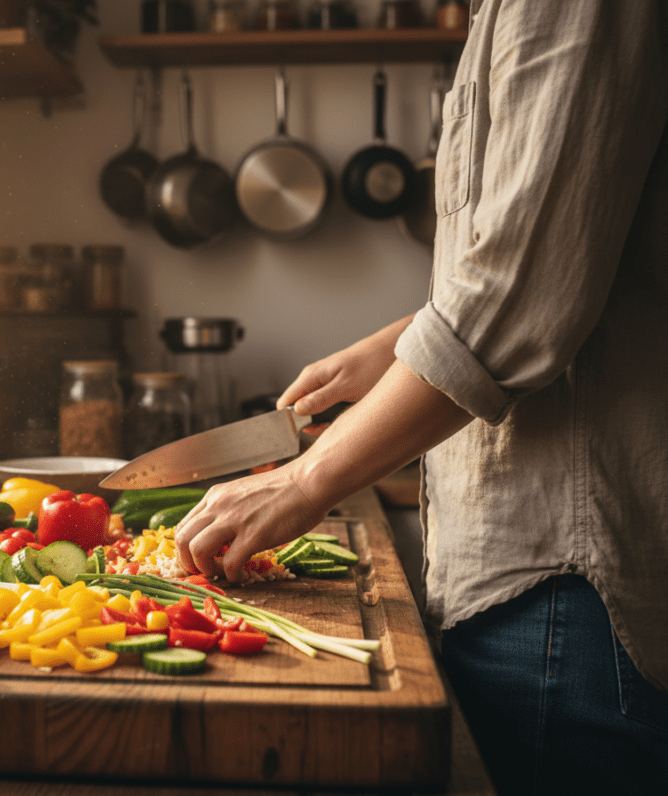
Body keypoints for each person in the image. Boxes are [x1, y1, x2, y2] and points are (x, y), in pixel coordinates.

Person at [173, 2, 668, 793]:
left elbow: (517, 294)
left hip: (569, 582)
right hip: (543, 582)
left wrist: (302, 479)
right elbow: (569, 248)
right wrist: (397, 345)